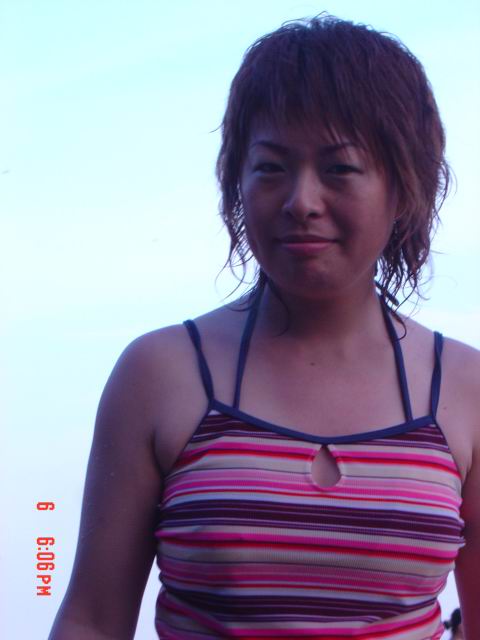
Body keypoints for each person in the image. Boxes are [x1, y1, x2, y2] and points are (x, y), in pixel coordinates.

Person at [49, 14, 479, 640]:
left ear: (404, 186)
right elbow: (91, 619)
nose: (301, 201)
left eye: (340, 168)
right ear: (237, 181)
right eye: (272, 167)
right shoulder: (159, 374)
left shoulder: (464, 387)